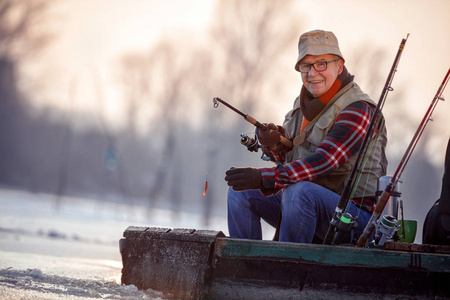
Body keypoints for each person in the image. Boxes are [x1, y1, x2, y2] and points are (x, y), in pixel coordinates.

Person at [225, 29, 388, 243]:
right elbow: (291, 160)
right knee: (241, 191)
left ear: (339, 66)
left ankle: (285, 267)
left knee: (299, 192)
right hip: (307, 206)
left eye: (322, 64)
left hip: (354, 218)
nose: (312, 73)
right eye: (305, 66)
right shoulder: (303, 105)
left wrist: (263, 177)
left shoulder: (358, 109)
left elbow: (323, 162)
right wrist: (273, 145)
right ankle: (242, 267)